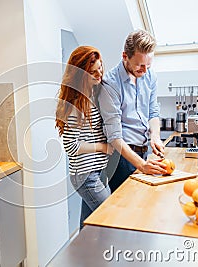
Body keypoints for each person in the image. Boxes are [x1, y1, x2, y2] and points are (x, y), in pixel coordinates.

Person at [98, 29, 167, 193]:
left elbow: (153, 112)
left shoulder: (150, 76)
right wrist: (142, 165)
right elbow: (114, 136)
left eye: (148, 65)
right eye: (139, 65)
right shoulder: (110, 84)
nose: (144, 70)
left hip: (143, 151)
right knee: (125, 210)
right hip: (121, 158)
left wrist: (155, 136)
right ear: (125, 56)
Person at [56, 46, 113, 229]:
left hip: (97, 171)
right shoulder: (76, 106)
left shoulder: (92, 94)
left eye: (100, 68)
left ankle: (81, 257)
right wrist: (102, 147)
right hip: (86, 176)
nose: (99, 74)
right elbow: (71, 146)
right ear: (80, 75)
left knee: (87, 227)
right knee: (110, 218)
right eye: (93, 72)